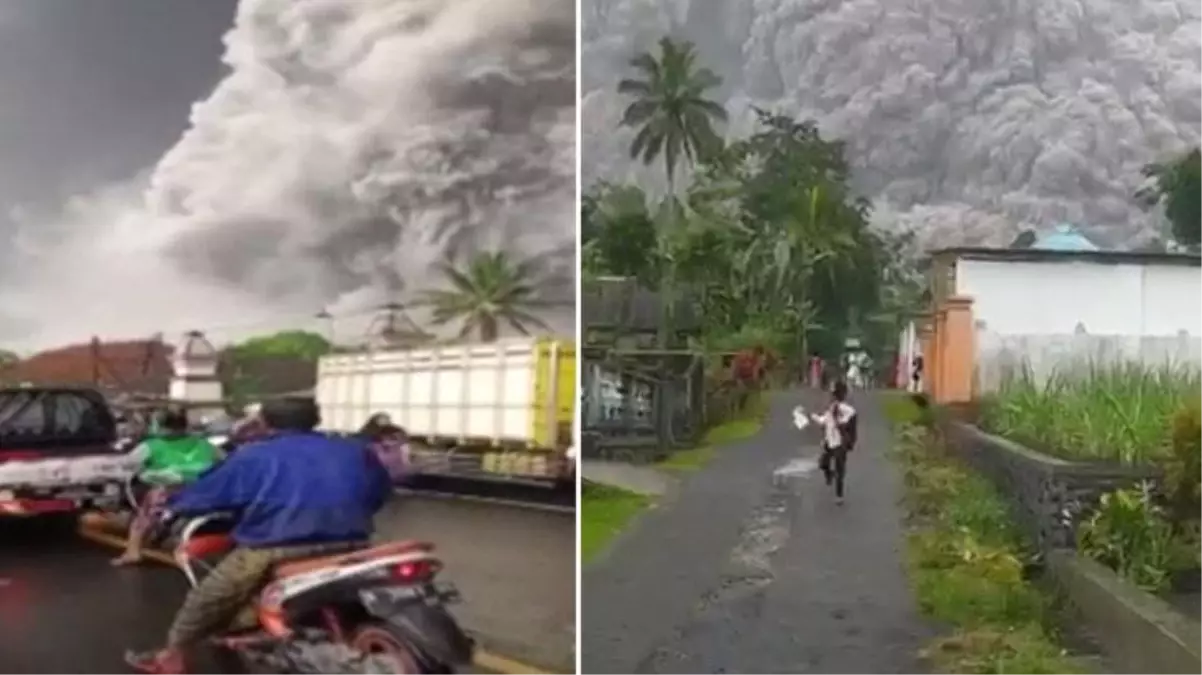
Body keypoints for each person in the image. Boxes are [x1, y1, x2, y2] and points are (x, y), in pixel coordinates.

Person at [125, 396, 394, 675]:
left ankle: (171, 656)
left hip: (277, 546)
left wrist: (174, 501)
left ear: (264, 423)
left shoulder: (254, 455)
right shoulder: (353, 450)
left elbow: (208, 494)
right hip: (353, 543)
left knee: (207, 598)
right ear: (316, 419)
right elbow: (379, 493)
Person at [112, 408, 220, 567]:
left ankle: (132, 552)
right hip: (204, 492)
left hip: (169, 491)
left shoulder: (152, 445)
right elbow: (224, 460)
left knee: (143, 519)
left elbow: (127, 463)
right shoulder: (204, 444)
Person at [810, 380, 858, 505]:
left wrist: (841, 422)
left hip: (840, 443)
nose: (832, 395)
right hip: (830, 441)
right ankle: (830, 475)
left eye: (833, 393)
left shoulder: (847, 410)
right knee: (823, 463)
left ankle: (839, 495)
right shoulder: (832, 408)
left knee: (839, 468)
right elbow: (824, 421)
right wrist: (814, 417)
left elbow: (849, 423)